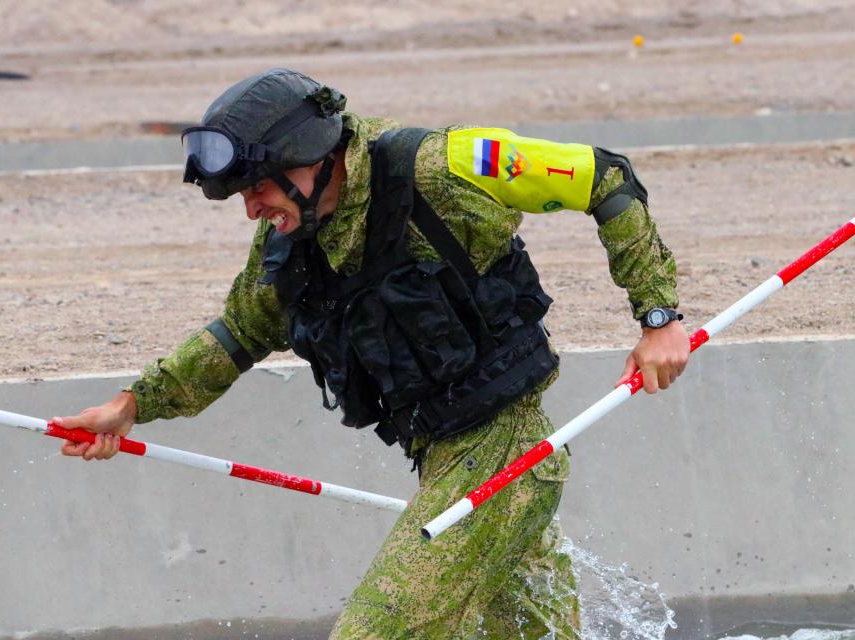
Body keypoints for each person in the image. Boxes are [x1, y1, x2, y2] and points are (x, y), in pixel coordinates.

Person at [54, 68, 689, 639]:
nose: (251, 208)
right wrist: (136, 403)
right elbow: (241, 333)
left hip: (507, 459)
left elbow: (604, 175)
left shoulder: (441, 166)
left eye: (258, 188)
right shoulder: (288, 236)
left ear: (309, 160)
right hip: (442, 463)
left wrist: (658, 317)